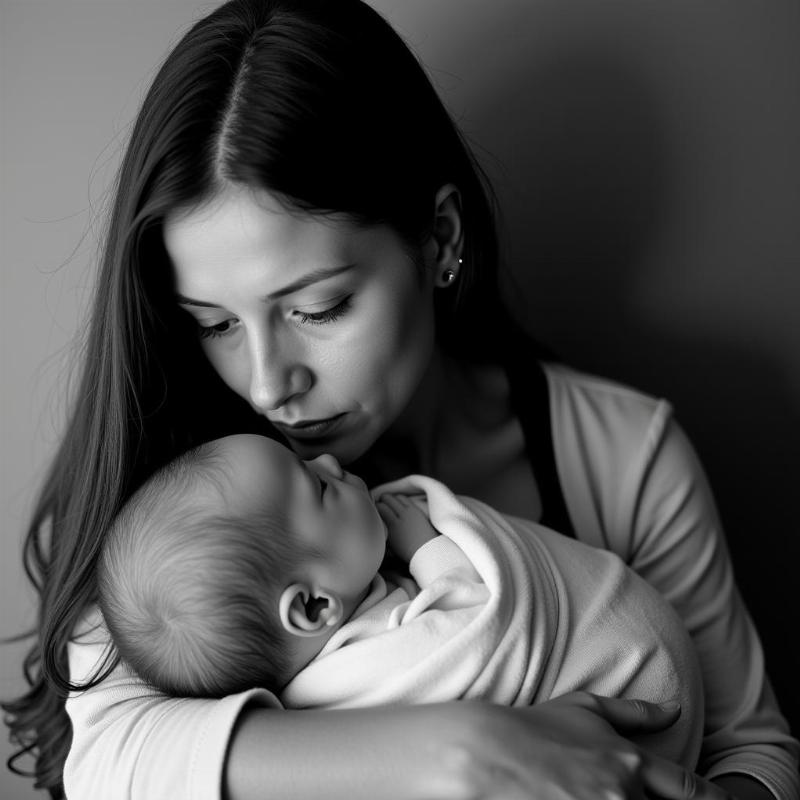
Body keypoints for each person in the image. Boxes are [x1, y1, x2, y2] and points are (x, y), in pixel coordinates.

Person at [2, 0, 798, 798]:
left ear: (441, 238)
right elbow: (110, 760)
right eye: (215, 325)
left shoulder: (622, 456)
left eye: (317, 309)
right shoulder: (191, 512)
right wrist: (457, 750)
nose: (270, 384)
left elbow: (756, 756)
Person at [97, 433, 703, 770]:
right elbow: (479, 627)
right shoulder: (369, 670)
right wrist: (429, 548)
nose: (331, 462)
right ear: (312, 607)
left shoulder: (336, 642)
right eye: (316, 485)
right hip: (630, 702)